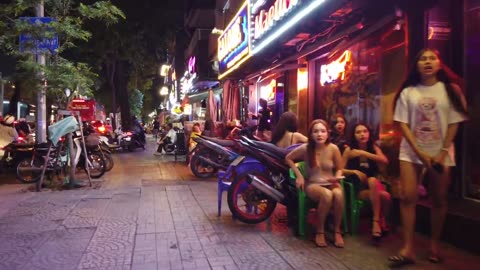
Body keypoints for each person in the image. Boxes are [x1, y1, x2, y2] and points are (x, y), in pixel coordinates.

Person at [389, 49, 468, 267]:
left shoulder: (451, 90)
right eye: (423, 59)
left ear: (440, 64)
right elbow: (402, 124)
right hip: (411, 151)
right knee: (408, 196)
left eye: (432, 58)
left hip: (441, 152)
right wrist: (420, 153)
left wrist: (442, 152)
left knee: (439, 198)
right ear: (416, 65)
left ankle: (434, 245)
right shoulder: (408, 92)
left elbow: (454, 123)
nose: (427, 62)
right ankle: (408, 248)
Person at [285, 119, 345, 248]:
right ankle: (320, 230)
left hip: (331, 182)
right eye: (316, 131)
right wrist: (299, 175)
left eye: (323, 131)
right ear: (311, 134)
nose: (319, 134)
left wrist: (337, 177)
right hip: (313, 185)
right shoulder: (306, 148)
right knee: (327, 195)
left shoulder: (333, 148)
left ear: (327, 133)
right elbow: (288, 158)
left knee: (338, 194)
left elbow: (340, 168)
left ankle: (337, 230)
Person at [342, 123, 390, 240]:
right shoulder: (349, 150)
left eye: (365, 131)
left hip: (373, 187)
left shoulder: (373, 148)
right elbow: (340, 170)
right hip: (359, 189)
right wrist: (354, 171)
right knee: (383, 195)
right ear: (354, 135)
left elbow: (384, 160)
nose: (362, 134)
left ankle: (376, 221)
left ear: (369, 133)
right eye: (358, 132)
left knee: (382, 191)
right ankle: (380, 220)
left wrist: (363, 153)